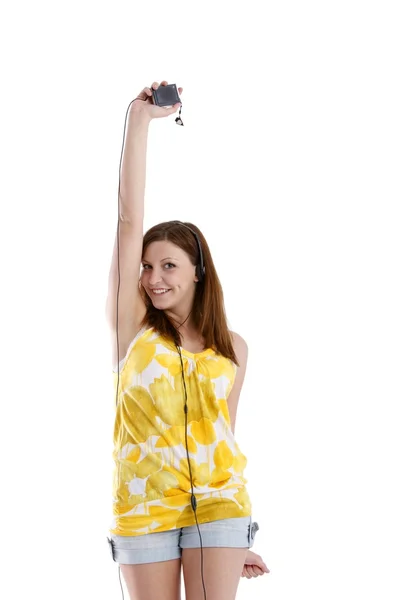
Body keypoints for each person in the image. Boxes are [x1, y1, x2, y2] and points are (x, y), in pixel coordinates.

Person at [105, 80, 270, 600]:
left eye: (169, 266)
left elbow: (226, 434)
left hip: (220, 505)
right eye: (147, 267)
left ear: (198, 272)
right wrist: (139, 119)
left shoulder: (233, 348)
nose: (154, 278)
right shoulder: (132, 328)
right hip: (144, 503)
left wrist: (238, 540)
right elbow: (129, 219)